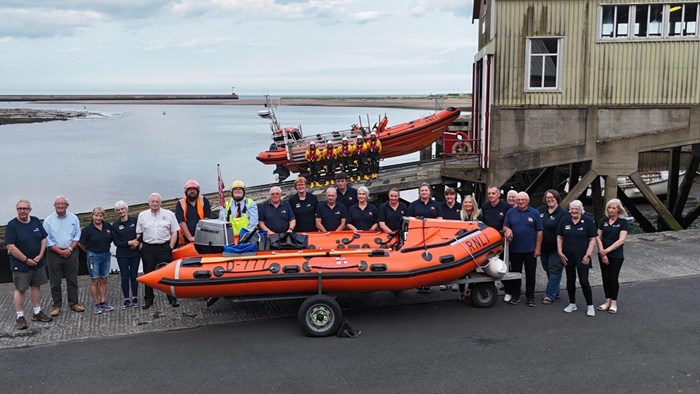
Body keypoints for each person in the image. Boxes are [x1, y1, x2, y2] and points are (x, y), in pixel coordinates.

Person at [5, 200, 52, 330]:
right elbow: (11, 246)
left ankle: (37, 312)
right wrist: (26, 260)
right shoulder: (12, 225)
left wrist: (41, 255)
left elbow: (43, 238)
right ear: (17, 209)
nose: (22, 211)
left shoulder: (36, 221)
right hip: (20, 264)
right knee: (20, 289)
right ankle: (20, 317)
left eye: (25, 208)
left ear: (30, 209)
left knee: (36, 286)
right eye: (20, 208)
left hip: (37, 262)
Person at [136, 193, 180, 309]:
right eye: (153, 202)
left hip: (164, 247)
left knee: (168, 273)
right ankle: (148, 299)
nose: (155, 204)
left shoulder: (169, 214)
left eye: (157, 202)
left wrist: (170, 246)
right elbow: (139, 232)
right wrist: (141, 246)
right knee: (148, 273)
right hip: (148, 247)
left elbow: (175, 232)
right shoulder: (142, 215)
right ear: (149, 203)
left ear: (161, 202)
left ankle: (172, 298)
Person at [43, 195, 85, 317]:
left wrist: (70, 249)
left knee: (72, 280)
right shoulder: (48, 220)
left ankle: (73, 303)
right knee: (55, 282)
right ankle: (56, 305)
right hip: (54, 254)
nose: (60, 206)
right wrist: (60, 251)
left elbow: (77, 236)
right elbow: (47, 240)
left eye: (63, 203)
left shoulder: (74, 218)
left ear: (67, 205)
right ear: (54, 205)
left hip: (71, 252)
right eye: (58, 204)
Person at [557, 200, 597, 317]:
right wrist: (560, 252)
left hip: (582, 256)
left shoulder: (588, 221)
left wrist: (588, 254)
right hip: (568, 256)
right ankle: (572, 303)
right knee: (570, 280)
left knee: (584, 281)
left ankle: (590, 305)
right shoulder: (565, 220)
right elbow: (559, 237)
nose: (574, 211)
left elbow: (592, 239)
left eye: (577, 209)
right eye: (572, 209)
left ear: (581, 210)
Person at [502, 192, 543, 307]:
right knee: (516, 274)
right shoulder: (511, 212)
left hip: (530, 249)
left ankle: (530, 297)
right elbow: (505, 226)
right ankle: (516, 295)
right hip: (515, 249)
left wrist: (538, 248)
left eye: (523, 200)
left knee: (531, 274)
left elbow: (539, 231)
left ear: (528, 201)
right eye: (518, 200)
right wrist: (507, 230)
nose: (520, 202)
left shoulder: (534, 213)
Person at [596, 198, 630, 314]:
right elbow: (598, 237)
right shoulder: (603, 221)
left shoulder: (623, 222)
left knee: (613, 278)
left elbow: (621, 240)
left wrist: (607, 251)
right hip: (602, 253)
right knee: (605, 278)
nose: (611, 210)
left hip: (616, 255)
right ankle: (607, 301)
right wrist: (601, 251)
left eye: (614, 208)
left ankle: (614, 302)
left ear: (618, 209)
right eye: (609, 208)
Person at [79, 207, 115, 314]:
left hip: (106, 255)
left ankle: (103, 302)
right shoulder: (87, 230)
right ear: (92, 216)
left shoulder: (108, 226)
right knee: (95, 280)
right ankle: (97, 304)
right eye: (96, 215)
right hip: (93, 256)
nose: (98, 218)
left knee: (104, 279)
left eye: (100, 215)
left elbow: (111, 238)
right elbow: (81, 243)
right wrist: (89, 252)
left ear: (103, 216)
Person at [537, 190, 568, 304]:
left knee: (555, 270)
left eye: (552, 197)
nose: (549, 199)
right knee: (547, 268)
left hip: (557, 248)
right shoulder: (541, 210)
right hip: (543, 247)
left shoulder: (563, 213)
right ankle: (556, 290)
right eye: (547, 197)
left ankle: (549, 295)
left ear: (557, 198)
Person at [112, 200, 140, 309]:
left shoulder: (135, 220)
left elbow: (140, 234)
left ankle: (135, 297)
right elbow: (116, 242)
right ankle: (126, 299)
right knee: (124, 277)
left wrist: (136, 243)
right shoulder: (115, 225)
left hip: (135, 253)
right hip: (122, 255)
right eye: (118, 210)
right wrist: (129, 243)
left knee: (134, 276)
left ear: (127, 209)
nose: (121, 211)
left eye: (122, 209)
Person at [175, 180, 211, 245]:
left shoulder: (204, 200)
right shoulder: (180, 203)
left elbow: (207, 218)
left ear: (198, 191)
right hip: (186, 239)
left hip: (203, 236)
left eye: (194, 189)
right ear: (186, 191)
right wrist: (190, 237)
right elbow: (181, 222)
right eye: (190, 189)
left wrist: (200, 236)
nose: (192, 191)